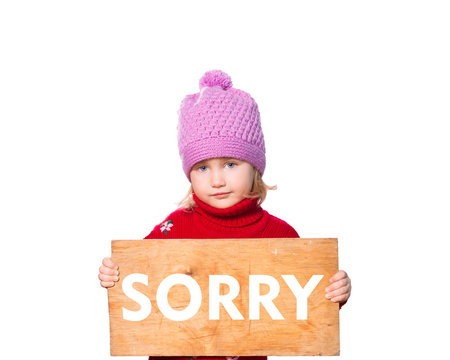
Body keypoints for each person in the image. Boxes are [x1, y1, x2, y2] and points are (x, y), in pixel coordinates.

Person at [98, 69, 351, 360]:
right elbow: (137, 278)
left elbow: (305, 301)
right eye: (203, 168)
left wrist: (336, 292)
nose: (217, 180)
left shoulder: (279, 236)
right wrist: (114, 275)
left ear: (254, 167)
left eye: (230, 164)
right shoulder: (175, 227)